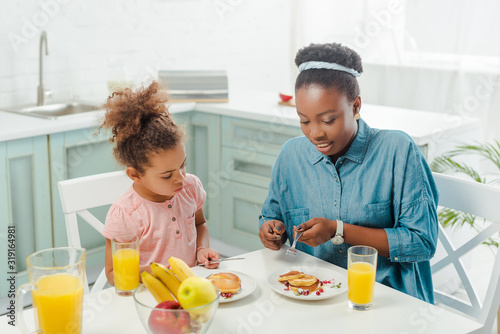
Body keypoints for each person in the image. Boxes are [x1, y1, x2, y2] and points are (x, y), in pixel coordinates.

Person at [258, 43, 439, 303]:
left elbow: (421, 242)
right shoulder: (291, 156)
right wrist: (271, 229)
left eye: (328, 120)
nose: (315, 133)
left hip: (387, 300)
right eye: (304, 121)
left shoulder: (397, 151)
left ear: (355, 106)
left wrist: (338, 230)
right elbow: (273, 215)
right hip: (317, 295)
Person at [99, 81, 220, 286]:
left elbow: (201, 223)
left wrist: (202, 249)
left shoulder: (189, 188)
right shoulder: (126, 215)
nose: (180, 177)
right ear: (135, 175)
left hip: (191, 288)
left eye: (183, 165)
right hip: (150, 297)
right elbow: (113, 274)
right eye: (167, 175)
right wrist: (153, 273)